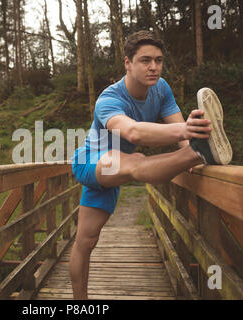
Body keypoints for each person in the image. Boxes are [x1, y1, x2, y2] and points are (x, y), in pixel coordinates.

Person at [69, 30, 232, 300]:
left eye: (158, 60)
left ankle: (200, 154)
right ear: (128, 63)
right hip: (91, 161)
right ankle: (200, 153)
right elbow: (133, 133)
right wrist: (189, 132)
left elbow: (177, 128)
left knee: (86, 241)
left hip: (117, 166)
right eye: (145, 60)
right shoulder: (108, 100)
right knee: (136, 161)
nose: (153, 67)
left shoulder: (162, 89)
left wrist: (188, 138)